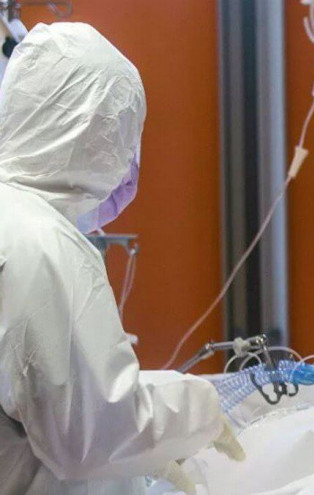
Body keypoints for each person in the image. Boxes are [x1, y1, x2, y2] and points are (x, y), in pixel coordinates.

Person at [0, 23, 243, 495]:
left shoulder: (15, 221)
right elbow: (90, 433)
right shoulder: (41, 243)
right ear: (93, 128)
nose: (131, 162)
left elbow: (46, 401)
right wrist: (200, 408)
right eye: (126, 134)